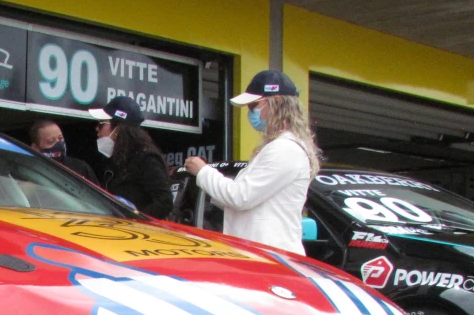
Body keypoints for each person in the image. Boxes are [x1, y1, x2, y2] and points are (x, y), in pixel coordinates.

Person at [183, 70, 319, 255]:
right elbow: (240, 199)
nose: (250, 112)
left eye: (254, 105)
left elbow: (240, 197)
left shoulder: (285, 149)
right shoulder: (280, 147)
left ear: (277, 102)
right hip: (264, 255)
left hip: (272, 258)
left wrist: (203, 172)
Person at [87, 96, 172, 218]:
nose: (97, 129)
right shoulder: (116, 158)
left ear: (118, 128)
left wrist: (136, 219)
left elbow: (164, 202)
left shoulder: (146, 159)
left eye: (101, 124)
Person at [28, 118, 98, 185]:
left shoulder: (81, 168)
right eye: (51, 141)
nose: (58, 143)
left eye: (60, 138)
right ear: (35, 148)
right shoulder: (29, 171)